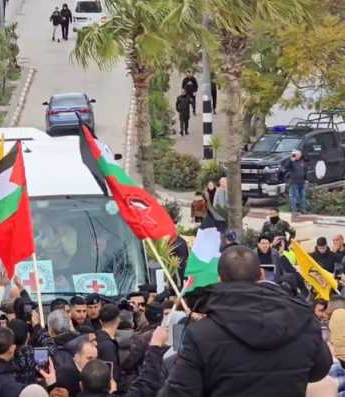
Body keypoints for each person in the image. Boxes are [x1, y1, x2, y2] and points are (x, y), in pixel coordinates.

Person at [160, 245, 332, 397]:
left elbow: (179, 391)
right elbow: (320, 370)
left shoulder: (201, 333)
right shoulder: (302, 321)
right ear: (261, 274)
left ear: (219, 279)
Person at [95, 304, 121, 387]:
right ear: (118, 320)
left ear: (100, 321)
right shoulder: (108, 345)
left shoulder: (95, 337)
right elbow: (111, 375)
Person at [282, 149, 308, 216]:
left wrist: (306, 179)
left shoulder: (302, 161)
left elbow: (305, 171)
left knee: (303, 196)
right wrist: (291, 160)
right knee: (294, 196)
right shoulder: (291, 162)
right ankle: (294, 211)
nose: (298, 156)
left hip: (302, 182)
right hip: (294, 182)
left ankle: (303, 209)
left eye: (299, 154)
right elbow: (286, 167)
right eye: (296, 154)